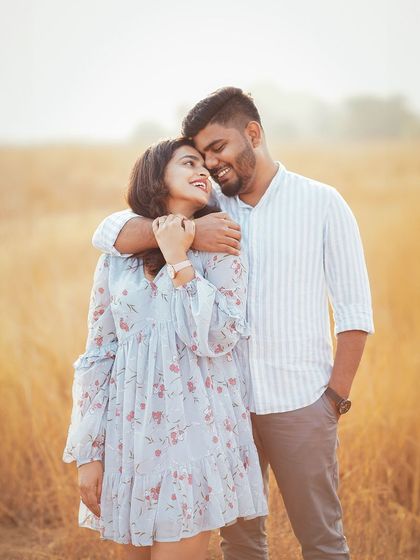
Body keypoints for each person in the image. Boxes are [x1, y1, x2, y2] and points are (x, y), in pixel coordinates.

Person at [92, 87, 375, 560]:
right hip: (222, 411)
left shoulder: (323, 203)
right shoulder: (210, 210)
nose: (212, 165)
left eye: (218, 149)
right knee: (240, 543)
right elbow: (109, 234)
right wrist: (190, 232)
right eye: (201, 157)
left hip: (300, 402)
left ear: (253, 133)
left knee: (322, 541)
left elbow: (354, 314)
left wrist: (332, 400)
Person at [62, 137, 268, 560]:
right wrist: (89, 454)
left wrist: (181, 261)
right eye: (189, 163)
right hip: (129, 438)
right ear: (158, 177)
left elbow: (219, 338)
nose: (202, 172)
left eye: (205, 167)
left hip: (192, 437)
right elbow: (98, 355)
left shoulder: (224, 248)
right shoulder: (118, 257)